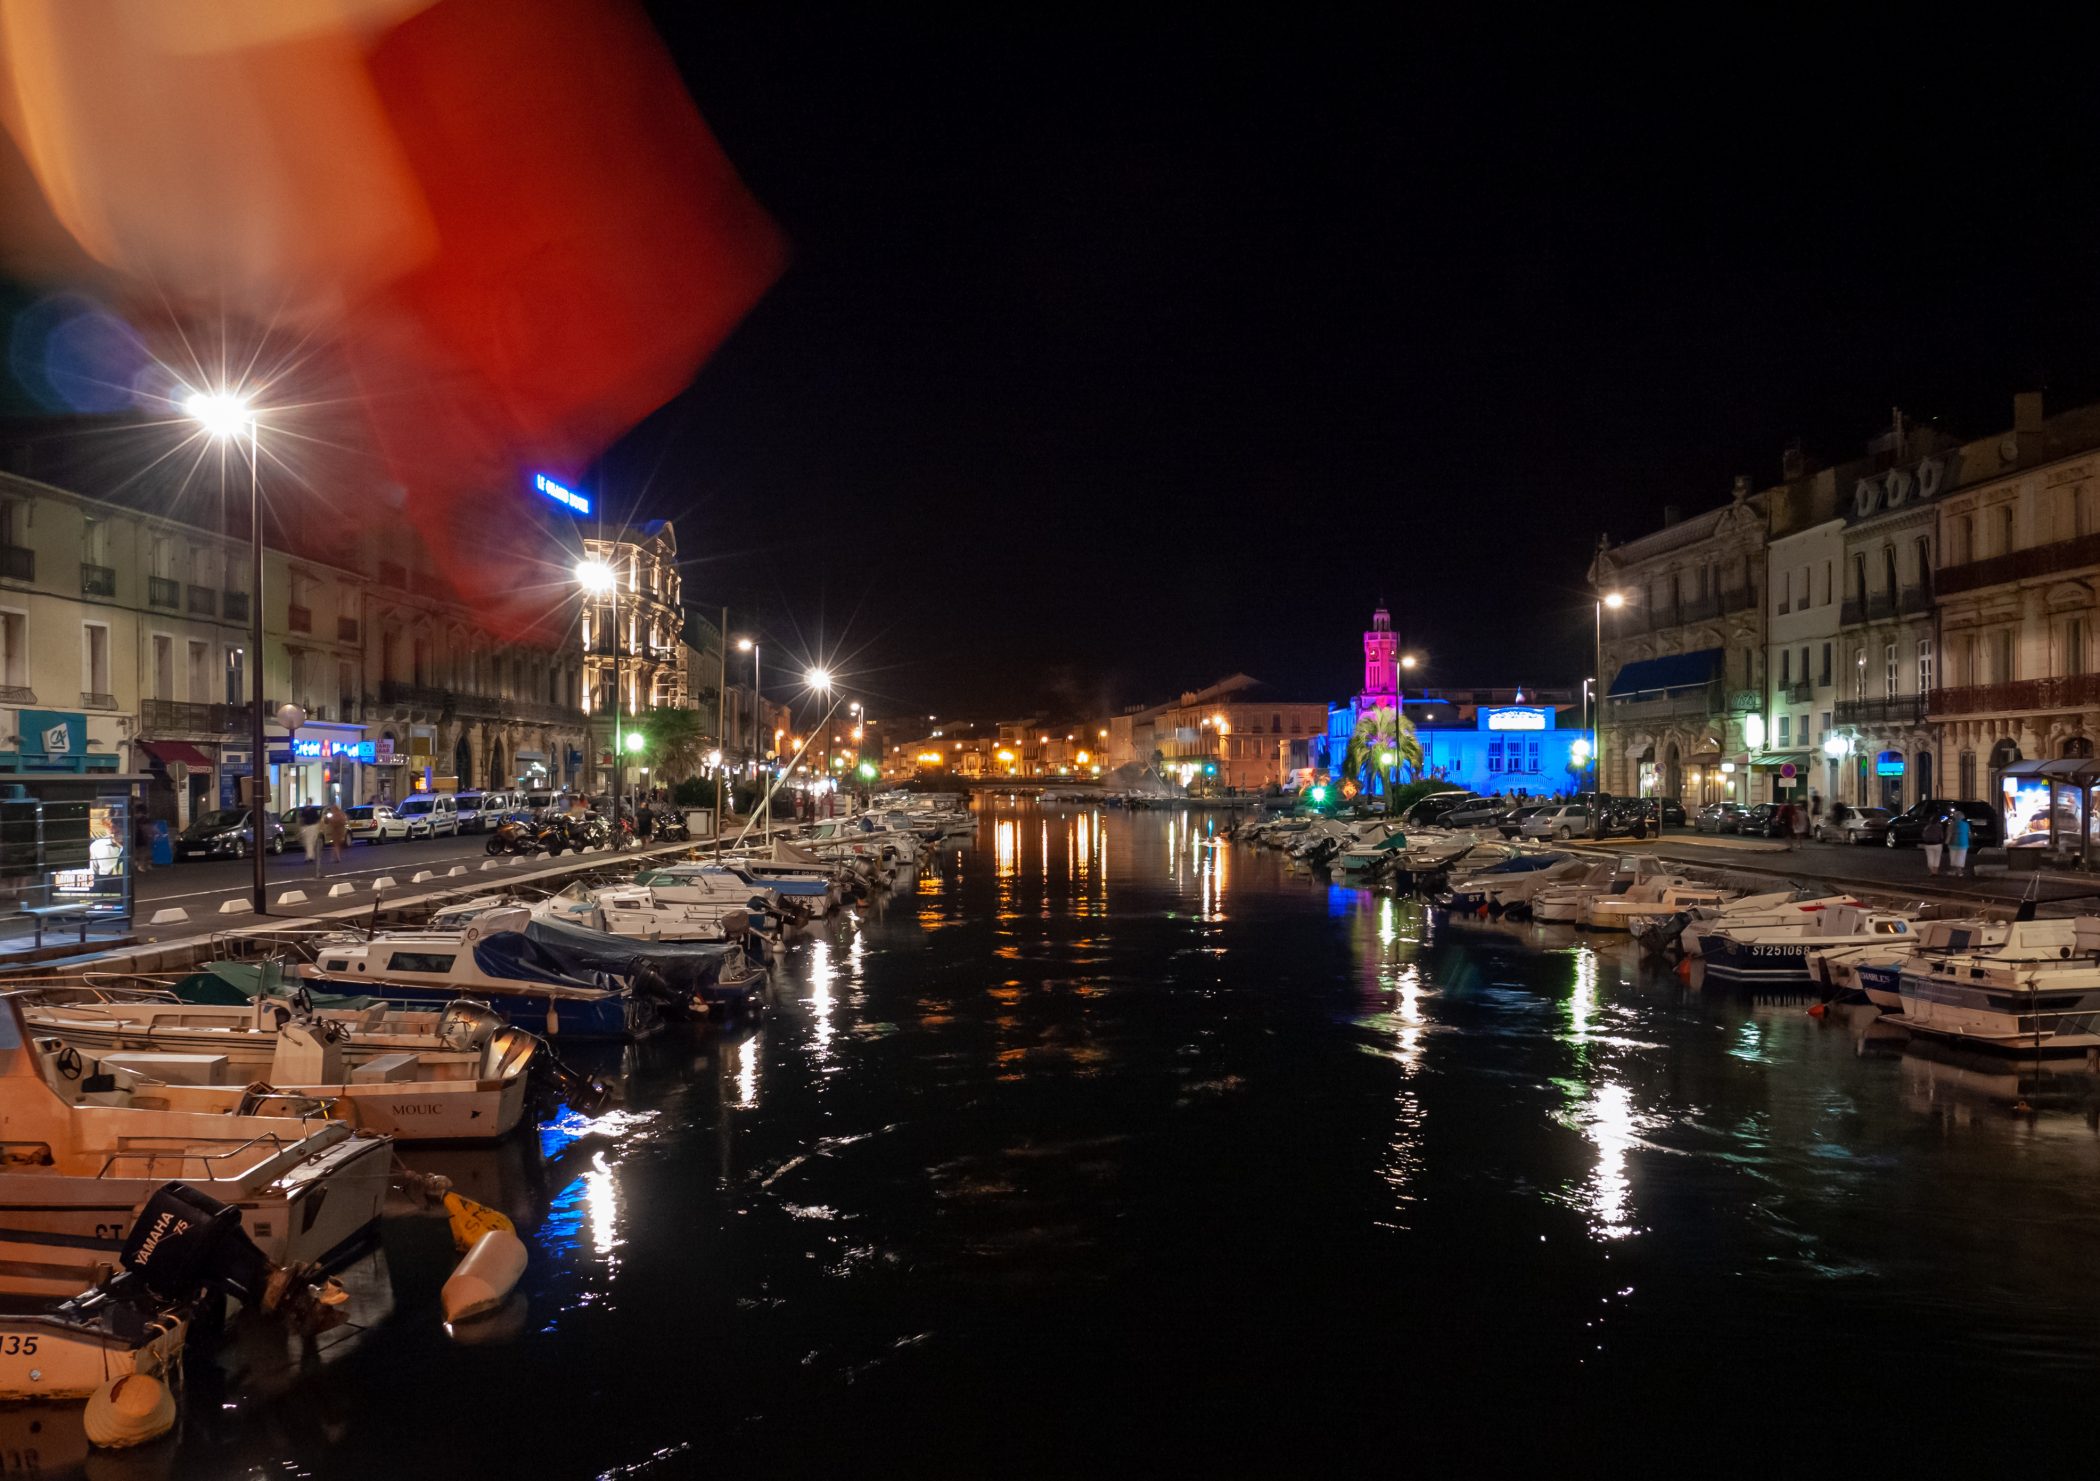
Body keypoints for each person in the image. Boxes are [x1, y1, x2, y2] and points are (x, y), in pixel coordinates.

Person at [299, 808, 324, 876]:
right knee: (309, 842)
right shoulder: (309, 810)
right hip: (310, 827)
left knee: (310, 842)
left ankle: (309, 856)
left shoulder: (309, 810)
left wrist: (302, 826)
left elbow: (302, 819)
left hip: (311, 827)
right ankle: (310, 856)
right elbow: (318, 819)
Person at [1949, 810, 1972, 876]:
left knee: (1953, 857)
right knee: (1961, 857)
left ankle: (1954, 871)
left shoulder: (1952, 824)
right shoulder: (1966, 824)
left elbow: (1949, 833)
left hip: (1953, 842)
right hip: (1963, 842)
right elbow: (1969, 834)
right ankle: (1959, 871)